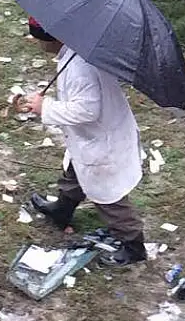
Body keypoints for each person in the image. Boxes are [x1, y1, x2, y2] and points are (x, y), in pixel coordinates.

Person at [20, 17, 148, 265]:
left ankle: (133, 245)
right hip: (92, 138)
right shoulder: (75, 53)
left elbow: (87, 110)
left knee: (108, 195)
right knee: (75, 170)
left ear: (53, 38)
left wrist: (45, 107)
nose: (37, 44)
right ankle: (62, 210)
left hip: (103, 142)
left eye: (38, 39)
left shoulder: (80, 68)